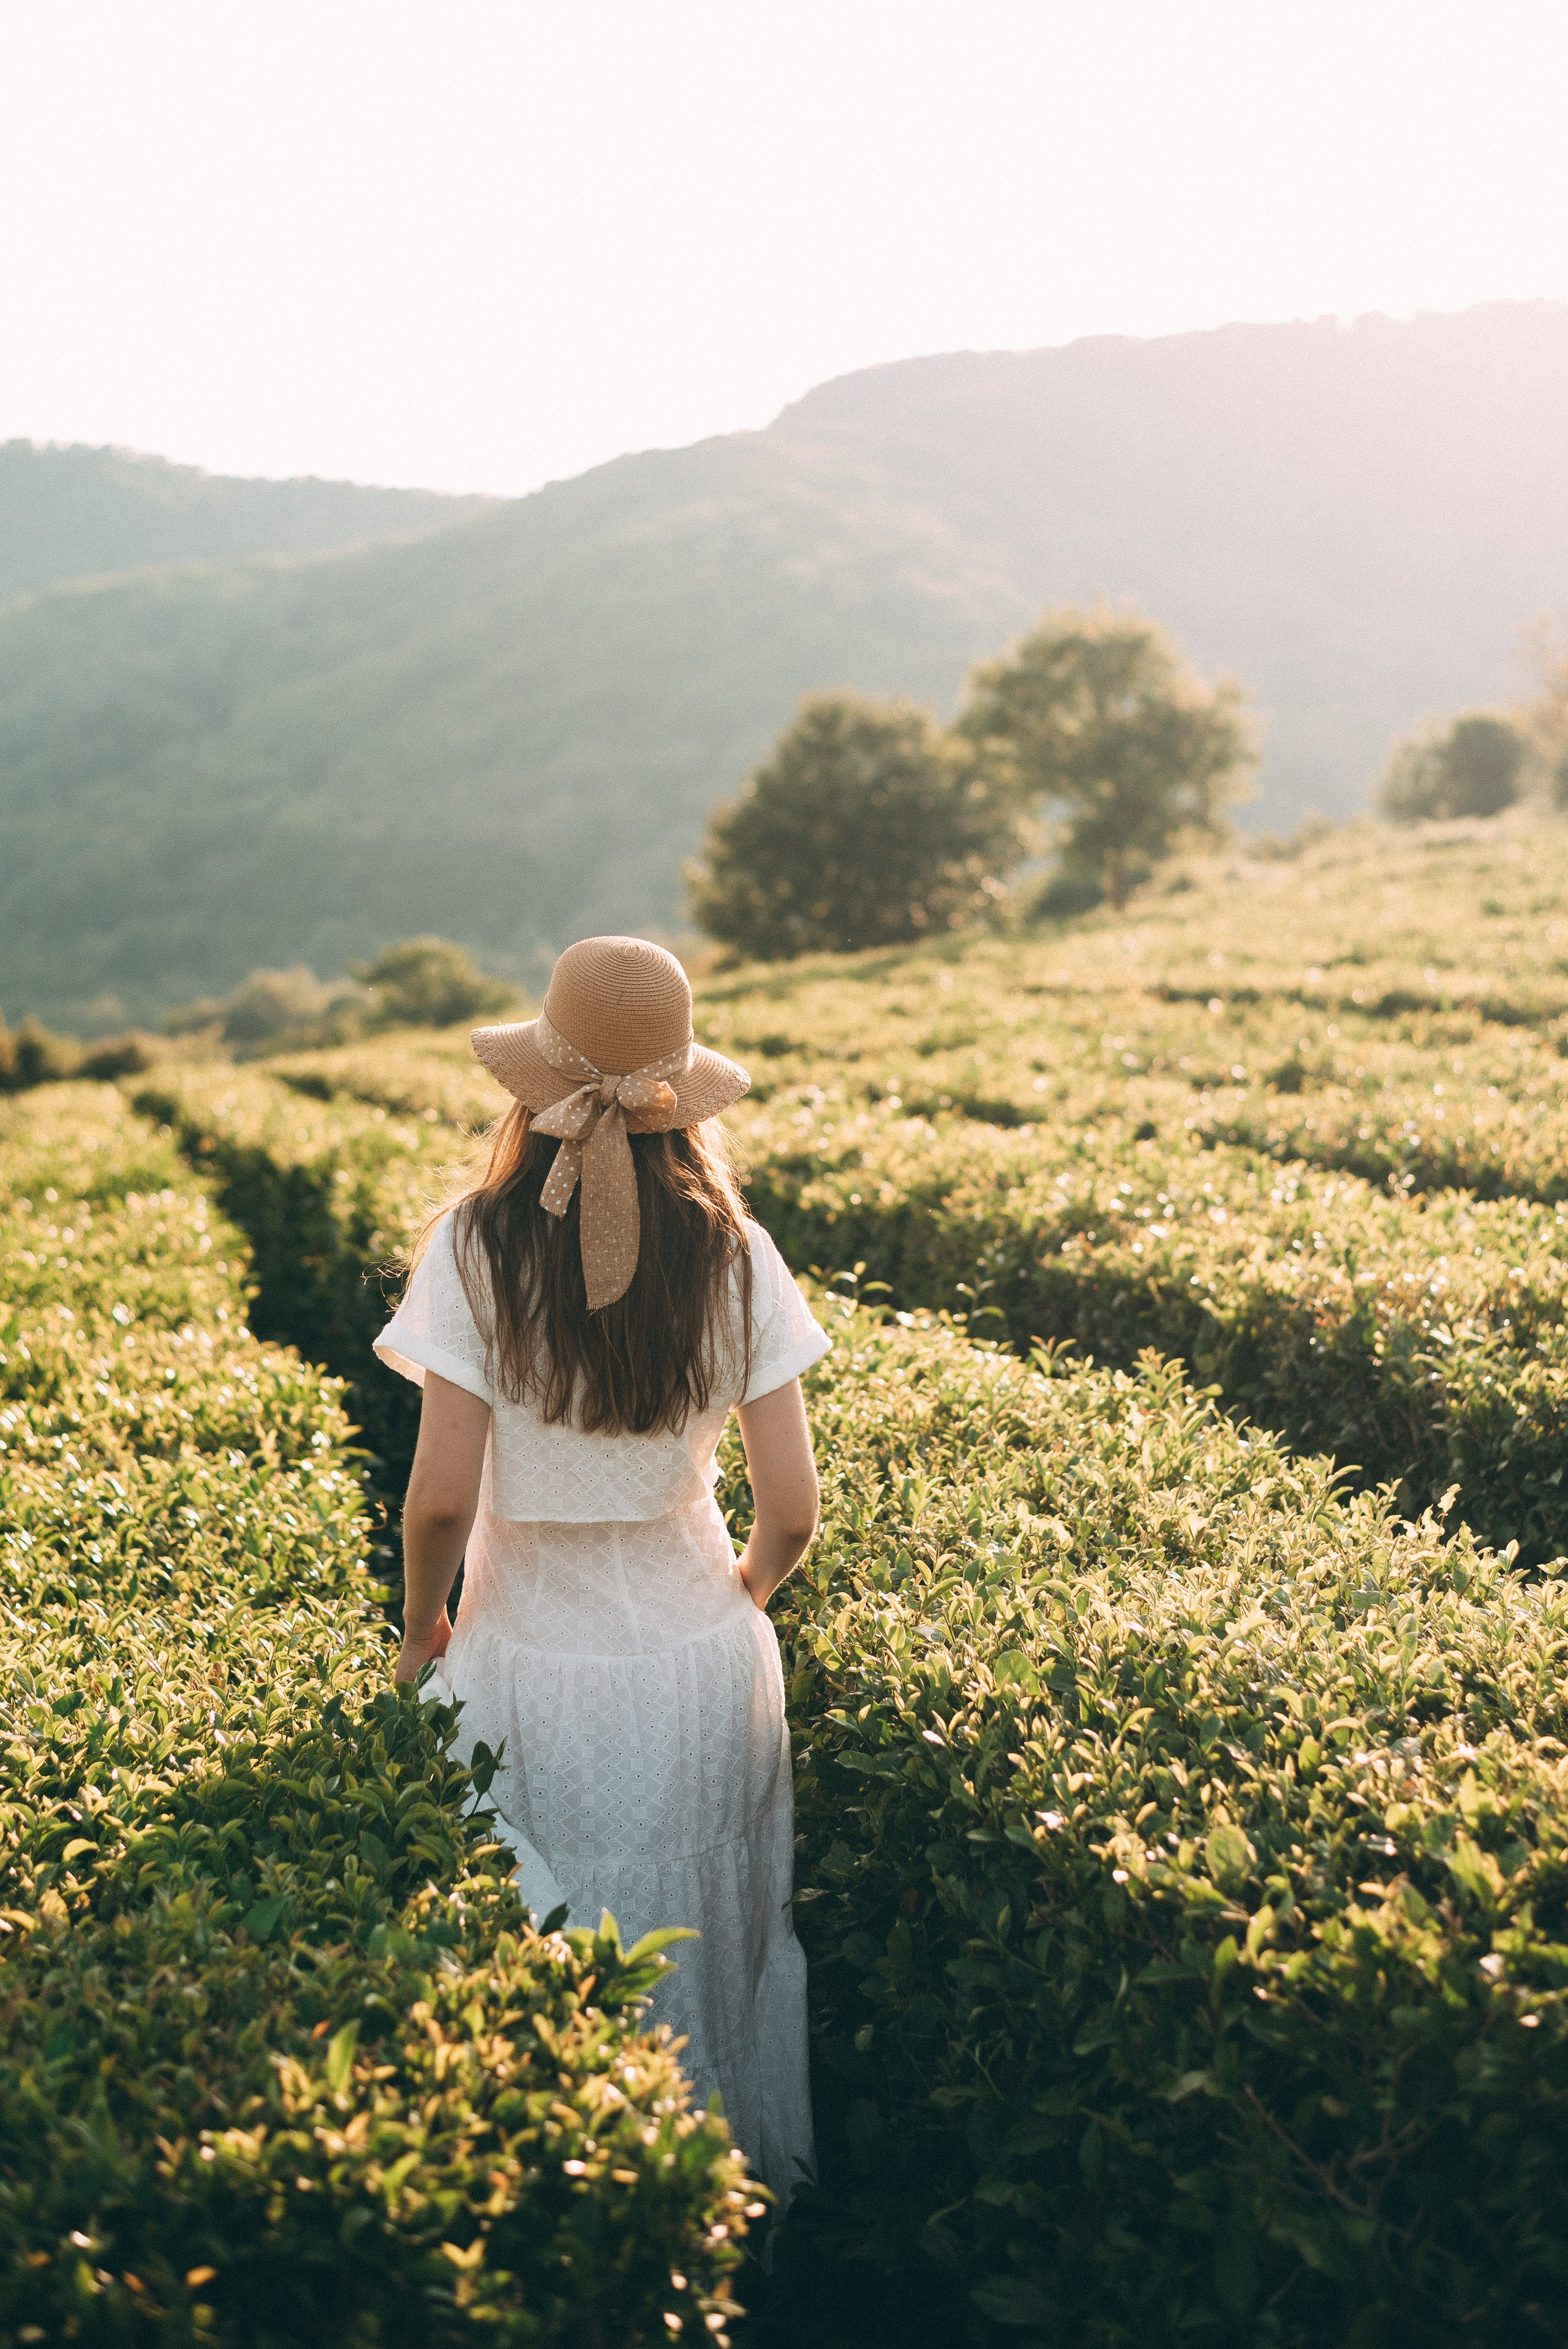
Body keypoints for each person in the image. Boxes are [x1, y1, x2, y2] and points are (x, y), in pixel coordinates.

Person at [372, 934, 827, 2209]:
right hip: (701, 1660)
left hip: (531, 1662)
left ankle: (594, 2230)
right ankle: (730, 2226)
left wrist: (422, 1628)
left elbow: (440, 1498)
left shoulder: (476, 1245)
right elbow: (792, 1510)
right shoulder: (736, 1251)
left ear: (534, 1084)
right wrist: (735, 1598)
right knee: (714, 1952)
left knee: (562, 1964)